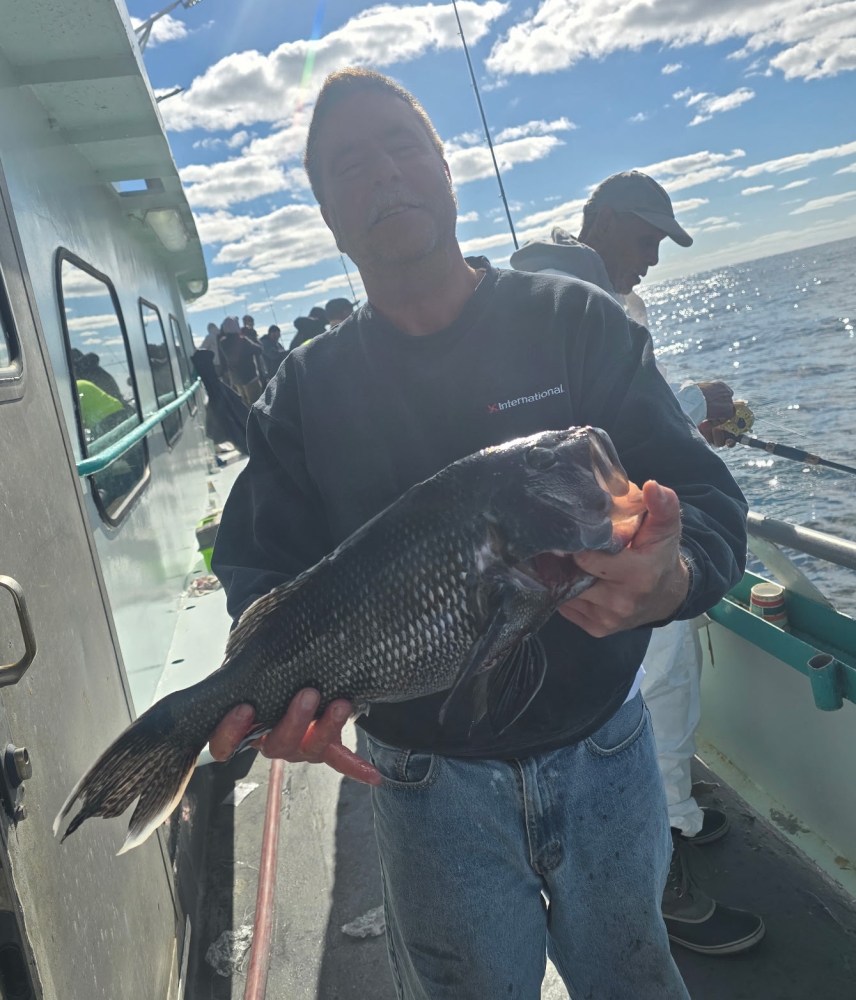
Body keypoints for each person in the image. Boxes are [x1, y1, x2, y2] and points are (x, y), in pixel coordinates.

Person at [209, 68, 750, 999]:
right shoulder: (304, 392)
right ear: (329, 219)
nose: (382, 175)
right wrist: (270, 694)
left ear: (447, 169)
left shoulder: (575, 321)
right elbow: (261, 564)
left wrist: (675, 575)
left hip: (606, 755)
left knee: (636, 980)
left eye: (401, 146)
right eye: (348, 166)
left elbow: (703, 498)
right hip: (422, 786)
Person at [510, 170, 764, 955]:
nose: (654, 257)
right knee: (656, 687)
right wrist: (696, 410)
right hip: (612, 565)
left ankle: (671, 824)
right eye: (647, 238)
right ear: (604, 220)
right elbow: (585, 427)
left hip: (593, 559)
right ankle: (659, 879)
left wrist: (682, 425)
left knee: (644, 702)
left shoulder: (555, 280)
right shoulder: (565, 292)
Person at [219, 315, 265, 405]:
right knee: (257, 404)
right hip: (250, 378)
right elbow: (259, 349)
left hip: (236, 379)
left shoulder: (223, 342)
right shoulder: (243, 340)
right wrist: (250, 337)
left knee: (244, 404)